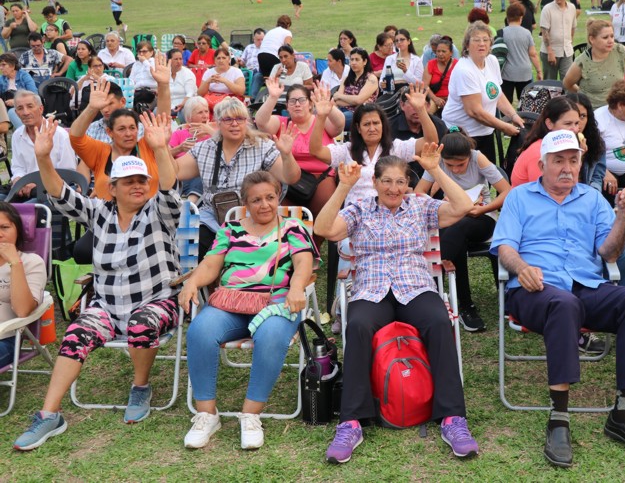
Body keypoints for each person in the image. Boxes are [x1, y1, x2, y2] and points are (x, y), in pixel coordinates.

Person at [492, 129, 625, 467]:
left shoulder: (592, 199)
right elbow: (505, 246)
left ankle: (623, 414)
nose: (567, 168)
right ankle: (559, 419)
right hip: (535, 289)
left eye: (573, 160)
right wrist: (521, 267)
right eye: (558, 161)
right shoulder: (520, 197)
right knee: (563, 304)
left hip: (586, 285)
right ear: (542, 165)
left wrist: (622, 217)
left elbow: (609, 253)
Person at [12, 112, 181, 451]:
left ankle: (140, 387)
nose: (137, 185)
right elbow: (59, 193)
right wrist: (43, 156)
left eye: (142, 180)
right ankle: (49, 414)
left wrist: (161, 149)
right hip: (107, 307)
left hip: (157, 303)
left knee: (141, 324)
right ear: (112, 188)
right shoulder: (99, 212)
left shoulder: (158, 213)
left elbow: (169, 189)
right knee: (75, 333)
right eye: (128, 182)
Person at [315, 150, 479, 464]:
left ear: (407, 184)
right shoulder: (359, 209)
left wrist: (436, 170)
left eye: (400, 182)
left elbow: (463, 206)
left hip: (414, 286)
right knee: (358, 326)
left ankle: (452, 418)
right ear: (375, 182)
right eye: (387, 181)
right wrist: (343, 187)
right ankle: (351, 422)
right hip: (372, 288)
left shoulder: (420, 206)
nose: (394, 188)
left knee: (438, 321)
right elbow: (325, 229)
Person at [180, 170, 318, 450]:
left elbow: (303, 263)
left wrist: (296, 287)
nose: (264, 205)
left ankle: (251, 416)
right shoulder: (230, 229)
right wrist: (192, 282)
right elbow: (211, 264)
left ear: (278, 197)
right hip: (231, 303)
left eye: (270, 197)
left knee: (271, 336)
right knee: (200, 331)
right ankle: (207, 415)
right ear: (245, 203)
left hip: (276, 304)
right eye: (256, 200)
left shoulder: (292, 227)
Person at [176, 97, 301, 258]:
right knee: (193, 244)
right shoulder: (205, 148)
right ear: (218, 123)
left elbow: (291, 178)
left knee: (241, 255)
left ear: (246, 121)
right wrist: (162, 148)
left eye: (240, 119)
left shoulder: (262, 146)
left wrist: (287, 155)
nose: (235, 124)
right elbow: (175, 172)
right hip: (212, 217)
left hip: (252, 216)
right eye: (228, 119)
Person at [415, 129, 510, 332]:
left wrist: (483, 209)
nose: (456, 170)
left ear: (469, 156)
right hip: (452, 219)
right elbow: (419, 193)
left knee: (457, 229)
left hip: (481, 217)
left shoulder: (477, 158)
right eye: (450, 166)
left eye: (461, 165)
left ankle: (434, 281)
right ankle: (465, 306)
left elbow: (507, 191)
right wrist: (439, 204)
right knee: (455, 233)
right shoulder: (437, 161)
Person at [311, 89, 438, 207]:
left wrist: (421, 110)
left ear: (383, 125)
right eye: (366, 124)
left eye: (376, 123)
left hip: (388, 212)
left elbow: (431, 141)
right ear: (358, 128)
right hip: (354, 214)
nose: (372, 128)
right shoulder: (347, 150)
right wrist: (321, 117)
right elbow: (316, 151)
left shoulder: (396, 148)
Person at [70, 64, 171, 201]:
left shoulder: (146, 146)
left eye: (132, 128)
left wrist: (163, 85)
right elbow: (75, 137)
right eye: (121, 129)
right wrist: (92, 108)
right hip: (106, 210)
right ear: (109, 132)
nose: (128, 134)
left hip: (146, 211)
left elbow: (161, 121)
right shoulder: (101, 152)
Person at [256, 80, 344, 221]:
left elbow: (339, 125)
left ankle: (314, 235)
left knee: (324, 214)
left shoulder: (321, 120)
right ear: (287, 106)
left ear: (310, 104)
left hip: (322, 176)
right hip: (288, 179)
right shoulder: (281, 122)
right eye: (292, 101)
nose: (297, 104)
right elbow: (261, 122)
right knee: (286, 217)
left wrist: (328, 106)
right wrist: (273, 97)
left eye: (302, 100)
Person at [442, 22, 524, 165]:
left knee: (487, 171)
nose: (482, 44)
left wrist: (513, 115)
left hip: (485, 131)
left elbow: (497, 94)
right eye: (476, 40)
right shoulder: (464, 70)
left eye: (486, 40)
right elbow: (475, 112)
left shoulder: (492, 61)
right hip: (462, 134)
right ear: (467, 45)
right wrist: (504, 127)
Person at [0, 202, 47, 369]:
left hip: (5, 339)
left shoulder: (31, 262)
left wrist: (15, 263)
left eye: (4, 227)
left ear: (18, 230)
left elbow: (22, 310)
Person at [10, 91, 77, 200]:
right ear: (16, 113)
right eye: (20, 108)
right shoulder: (17, 135)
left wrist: (37, 182)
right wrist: (18, 179)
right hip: (25, 189)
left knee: (21, 208)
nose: (25, 112)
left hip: (53, 192)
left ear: (41, 109)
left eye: (30, 106)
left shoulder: (60, 135)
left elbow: (68, 172)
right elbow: (18, 167)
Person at [563, 19, 625, 110]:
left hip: (617, 109)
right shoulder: (582, 62)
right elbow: (567, 83)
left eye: (612, 36)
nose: (610, 41)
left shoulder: (620, 51)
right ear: (592, 39)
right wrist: (582, 95)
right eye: (605, 37)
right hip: (593, 111)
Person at [168, 96, 215, 203]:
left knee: (202, 173)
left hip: (204, 176)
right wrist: (180, 148)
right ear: (189, 117)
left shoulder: (213, 135)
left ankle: (189, 205)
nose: (205, 115)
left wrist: (210, 132)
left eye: (206, 111)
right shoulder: (179, 134)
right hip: (181, 177)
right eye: (200, 112)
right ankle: (188, 204)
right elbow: (165, 155)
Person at [500, 3, 543, 103]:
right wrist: (539, 70)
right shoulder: (527, 33)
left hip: (507, 73)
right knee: (525, 102)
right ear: (521, 18)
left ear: (507, 18)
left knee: (506, 102)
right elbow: (533, 54)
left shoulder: (502, 33)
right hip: (524, 72)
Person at [540, 0, 578, 81]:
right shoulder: (547, 9)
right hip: (550, 51)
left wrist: (570, 43)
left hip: (567, 51)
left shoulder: (572, 8)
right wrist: (550, 52)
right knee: (550, 83)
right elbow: (544, 32)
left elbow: (573, 27)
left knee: (567, 81)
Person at [333, 48, 379, 128]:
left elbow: (359, 100)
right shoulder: (346, 79)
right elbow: (337, 101)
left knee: (333, 122)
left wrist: (340, 96)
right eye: (352, 60)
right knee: (322, 116)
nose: (353, 63)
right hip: (341, 110)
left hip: (360, 113)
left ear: (364, 62)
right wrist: (355, 100)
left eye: (357, 60)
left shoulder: (371, 79)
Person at [198, 48, 246, 116]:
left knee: (226, 104)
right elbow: (200, 93)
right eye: (218, 58)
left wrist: (225, 81)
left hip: (231, 102)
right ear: (214, 60)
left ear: (229, 59)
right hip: (212, 101)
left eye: (224, 58)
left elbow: (241, 92)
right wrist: (208, 81)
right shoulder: (208, 72)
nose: (221, 60)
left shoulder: (236, 71)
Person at [423, 36, 457, 113]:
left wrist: (450, 99)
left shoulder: (457, 65)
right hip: (434, 98)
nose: (440, 54)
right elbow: (425, 86)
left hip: (452, 99)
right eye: (438, 51)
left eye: (443, 51)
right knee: (428, 111)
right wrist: (435, 99)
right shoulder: (430, 64)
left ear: (451, 53)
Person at [258, 16, 293, 82]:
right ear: (288, 25)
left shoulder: (270, 31)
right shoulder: (287, 32)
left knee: (268, 80)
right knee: (282, 77)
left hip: (261, 56)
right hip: (273, 56)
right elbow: (287, 48)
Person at [168, 48, 198, 117]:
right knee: (155, 112)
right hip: (168, 105)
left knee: (181, 114)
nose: (179, 61)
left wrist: (182, 104)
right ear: (169, 60)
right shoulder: (166, 72)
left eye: (180, 59)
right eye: (176, 59)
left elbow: (190, 93)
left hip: (185, 105)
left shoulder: (188, 73)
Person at [129, 41, 158, 110]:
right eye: (139, 52)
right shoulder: (136, 64)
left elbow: (153, 76)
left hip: (151, 91)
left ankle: (140, 108)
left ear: (151, 52)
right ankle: (139, 107)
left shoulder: (155, 63)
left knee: (143, 94)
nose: (141, 54)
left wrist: (145, 62)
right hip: (137, 91)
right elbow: (131, 80)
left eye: (144, 51)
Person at [239, 28, 264, 97]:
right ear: (254, 39)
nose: (261, 42)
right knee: (241, 75)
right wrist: (240, 61)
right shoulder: (249, 47)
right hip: (249, 70)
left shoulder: (266, 48)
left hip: (259, 71)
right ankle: (241, 96)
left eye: (262, 39)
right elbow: (242, 62)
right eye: (258, 40)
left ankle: (252, 98)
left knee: (257, 77)